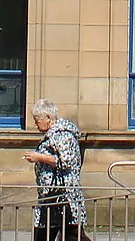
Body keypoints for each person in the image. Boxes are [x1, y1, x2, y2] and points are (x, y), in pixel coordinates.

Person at [24, 98, 90, 241]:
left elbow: (67, 161)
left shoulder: (63, 135)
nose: (35, 123)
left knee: (73, 235)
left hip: (63, 196)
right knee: (45, 234)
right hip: (50, 197)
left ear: (48, 118)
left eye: (37, 119)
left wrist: (39, 157)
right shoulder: (52, 135)